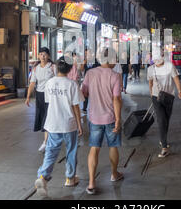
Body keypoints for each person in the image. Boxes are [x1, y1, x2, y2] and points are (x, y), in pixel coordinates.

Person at [34, 59, 83, 197]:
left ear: (57, 68)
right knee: (71, 151)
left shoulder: (49, 83)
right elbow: (76, 106)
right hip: (69, 124)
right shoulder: (72, 84)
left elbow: (49, 102)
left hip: (53, 123)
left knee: (51, 151)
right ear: (69, 70)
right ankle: (70, 178)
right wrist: (80, 124)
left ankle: (43, 177)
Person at [81, 49, 123, 195]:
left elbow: (83, 93)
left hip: (94, 117)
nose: (116, 61)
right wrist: (118, 119)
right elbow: (116, 99)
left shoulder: (90, 73)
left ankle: (92, 182)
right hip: (111, 117)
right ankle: (114, 174)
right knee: (113, 146)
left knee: (94, 148)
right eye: (115, 58)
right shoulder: (115, 76)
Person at [147, 49, 181, 158]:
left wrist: (179, 91)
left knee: (166, 120)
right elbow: (150, 83)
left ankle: (163, 138)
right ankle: (164, 147)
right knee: (161, 119)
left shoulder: (170, 66)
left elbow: (176, 78)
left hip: (169, 97)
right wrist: (152, 95)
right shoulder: (151, 69)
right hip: (156, 97)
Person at [26, 48, 56, 152]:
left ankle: (46, 142)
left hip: (51, 95)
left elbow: (58, 80)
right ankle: (48, 140)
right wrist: (28, 97)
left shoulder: (52, 67)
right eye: (40, 54)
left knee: (47, 118)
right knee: (43, 117)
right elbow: (32, 83)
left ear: (48, 56)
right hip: (39, 95)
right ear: (38, 56)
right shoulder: (36, 68)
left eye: (45, 54)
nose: (42, 56)